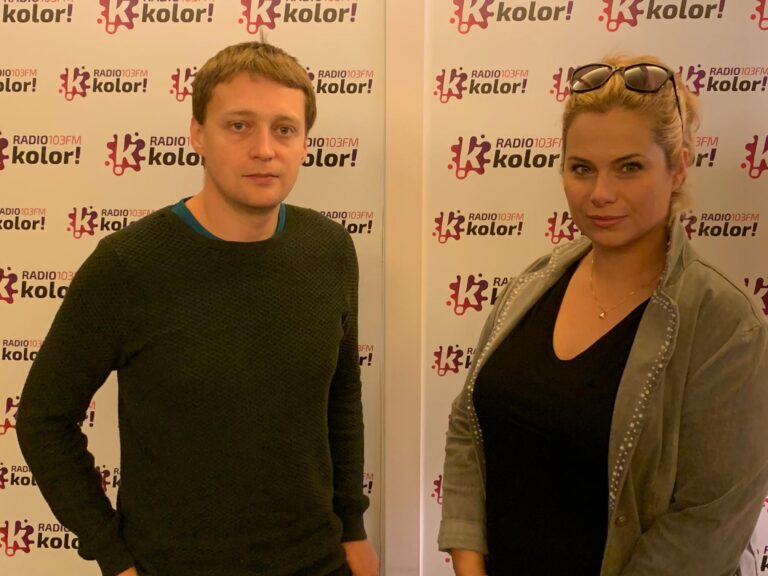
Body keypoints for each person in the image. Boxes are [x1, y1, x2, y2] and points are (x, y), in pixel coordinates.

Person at [17, 42, 378, 576]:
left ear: (305, 142)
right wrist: (112, 555)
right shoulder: (128, 265)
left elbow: (341, 398)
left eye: (284, 129)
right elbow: (43, 419)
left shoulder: (330, 249)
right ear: (198, 135)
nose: (264, 149)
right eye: (239, 126)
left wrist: (352, 529)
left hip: (317, 561)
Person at [438, 55, 768, 576]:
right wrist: (469, 566)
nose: (600, 194)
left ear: (679, 166)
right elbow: (468, 424)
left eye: (630, 167)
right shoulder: (536, 282)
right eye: (582, 169)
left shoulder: (726, 324)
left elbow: (707, 523)